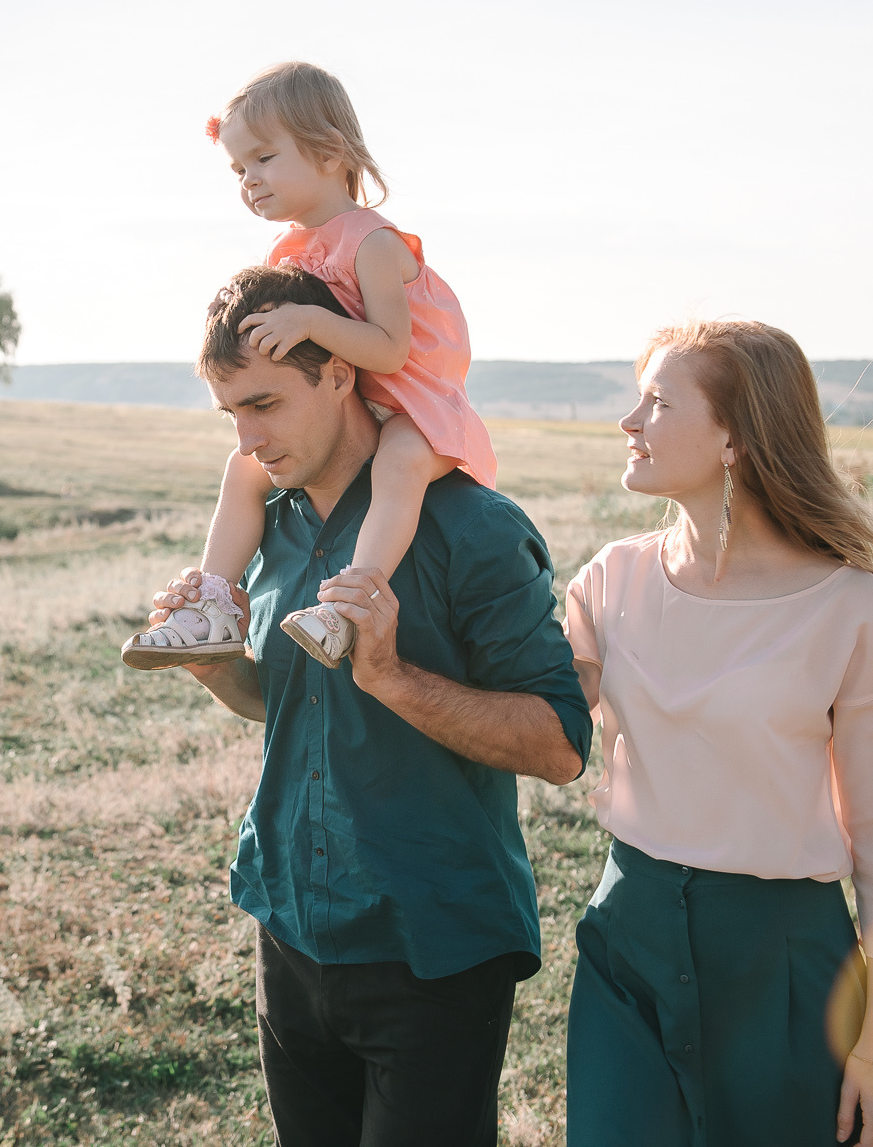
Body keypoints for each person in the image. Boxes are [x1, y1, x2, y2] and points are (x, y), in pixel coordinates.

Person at [142, 263, 591, 1146]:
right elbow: (284, 705)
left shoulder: (473, 528)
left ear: (341, 371)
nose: (246, 437)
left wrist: (390, 675)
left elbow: (560, 745)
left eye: (264, 403)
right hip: (290, 923)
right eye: (230, 412)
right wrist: (215, 666)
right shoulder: (270, 527)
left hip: (432, 946)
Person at [561, 320, 873, 1147]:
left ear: (735, 433)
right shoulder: (609, 580)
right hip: (628, 944)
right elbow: (538, 716)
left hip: (787, 964)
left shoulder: (849, 606)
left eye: (656, 402)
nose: (629, 421)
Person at [121, 61, 497, 671]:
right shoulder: (287, 249)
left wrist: (311, 323)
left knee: (399, 466)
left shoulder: (373, 242)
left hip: (416, 403)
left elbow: (390, 350)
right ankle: (212, 604)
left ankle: (348, 605)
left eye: (264, 159)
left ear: (328, 152)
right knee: (243, 468)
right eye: (239, 169)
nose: (248, 180)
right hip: (354, 400)